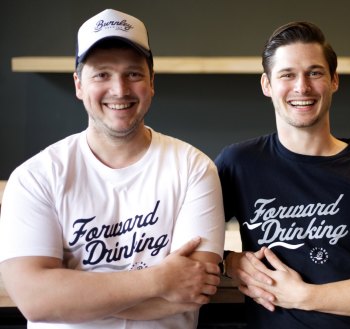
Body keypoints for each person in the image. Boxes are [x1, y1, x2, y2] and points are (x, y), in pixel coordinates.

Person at [0, 9, 225, 328]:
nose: (119, 90)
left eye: (133, 74)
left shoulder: (193, 168)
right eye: (102, 74)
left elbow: (193, 289)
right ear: (79, 84)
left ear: (151, 82)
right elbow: (37, 300)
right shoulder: (36, 177)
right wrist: (159, 280)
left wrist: (74, 295)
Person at [215, 21, 350, 328]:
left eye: (314, 73)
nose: (302, 87)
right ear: (267, 85)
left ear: (334, 81)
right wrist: (230, 261)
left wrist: (303, 296)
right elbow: (184, 241)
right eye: (287, 74)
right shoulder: (239, 164)